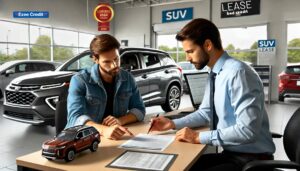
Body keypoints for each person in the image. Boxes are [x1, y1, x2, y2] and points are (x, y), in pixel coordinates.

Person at [150, 18, 275, 171]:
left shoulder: (238, 73)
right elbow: (206, 112)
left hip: (252, 161)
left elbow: (247, 131)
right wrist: (173, 123)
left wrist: (197, 137)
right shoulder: (215, 73)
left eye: (190, 51)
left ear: (208, 45)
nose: (187, 58)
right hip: (232, 154)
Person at [66, 34, 145, 140]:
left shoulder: (128, 78)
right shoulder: (80, 80)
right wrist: (104, 130)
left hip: (114, 137)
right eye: (107, 62)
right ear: (95, 59)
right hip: (83, 138)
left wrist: (119, 121)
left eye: (116, 59)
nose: (114, 65)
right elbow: (75, 119)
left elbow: (140, 110)